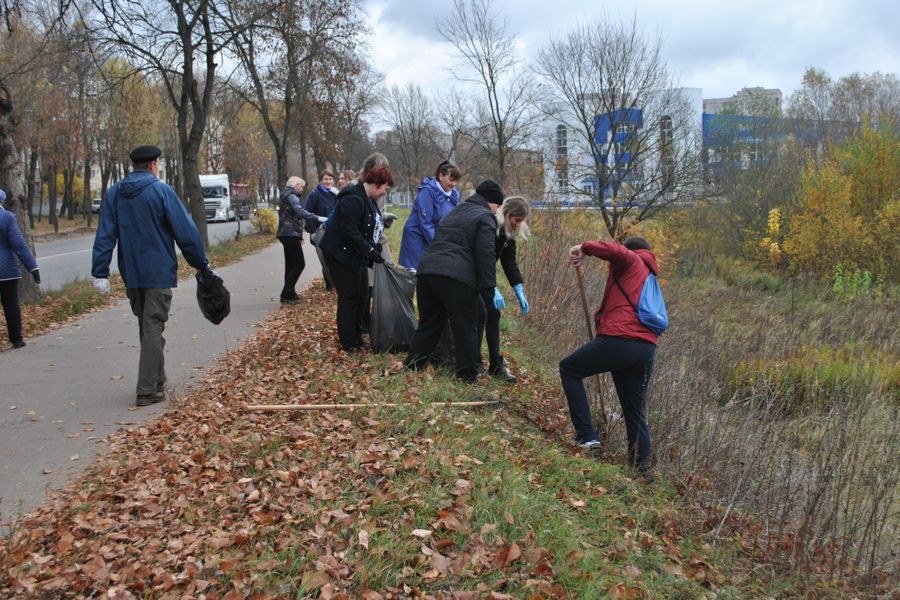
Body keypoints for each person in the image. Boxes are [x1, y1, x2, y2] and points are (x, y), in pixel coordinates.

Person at [91, 145, 211, 407]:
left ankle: (158, 379)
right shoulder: (161, 190)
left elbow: (105, 233)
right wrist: (201, 263)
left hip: (131, 271)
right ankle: (147, 390)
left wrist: (100, 271)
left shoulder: (115, 193)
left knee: (147, 327)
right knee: (153, 327)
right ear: (154, 164)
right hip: (157, 271)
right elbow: (186, 231)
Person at [560, 236, 660, 479]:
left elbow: (614, 250)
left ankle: (587, 436)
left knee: (569, 369)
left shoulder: (632, 260)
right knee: (635, 410)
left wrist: (583, 248)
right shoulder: (649, 274)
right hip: (645, 348)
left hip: (620, 341)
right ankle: (641, 470)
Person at [404, 180, 504, 383]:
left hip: (427, 272)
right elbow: (486, 254)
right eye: (497, 206)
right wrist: (489, 288)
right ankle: (467, 375)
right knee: (466, 326)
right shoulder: (486, 217)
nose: (497, 210)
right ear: (491, 202)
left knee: (429, 324)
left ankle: (413, 364)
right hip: (455, 279)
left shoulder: (456, 212)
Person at [318, 166, 393, 352]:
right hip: (339, 255)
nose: (385, 192)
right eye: (385, 188)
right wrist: (369, 250)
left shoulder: (367, 199)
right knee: (349, 297)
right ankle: (348, 341)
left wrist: (374, 247)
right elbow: (349, 231)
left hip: (354, 255)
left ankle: (357, 335)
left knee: (362, 295)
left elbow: (366, 227)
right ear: (376, 184)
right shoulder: (352, 199)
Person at [476, 196, 531, 384]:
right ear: (508, 214)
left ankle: (495, 365)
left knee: (493, 314)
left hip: (485, 277)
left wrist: (519, 288)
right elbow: (484, 259)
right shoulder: (490, 227)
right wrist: (492, 288)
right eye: (517, 220)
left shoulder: (508, 234)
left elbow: (509, 262)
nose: (518, 225)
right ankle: (475, 362)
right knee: (481, 314)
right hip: (473, 273)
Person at [398, 160, 461, 271]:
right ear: (441, 175)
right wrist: (438, 245)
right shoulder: (427, 191)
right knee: (417, 275)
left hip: (435, 239)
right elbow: (425, 223)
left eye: (456, 181)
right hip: (417, 237)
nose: (453, 184)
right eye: (451, 180)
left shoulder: (454, 194)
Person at [0, 188, 40, 349]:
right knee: (11, 304)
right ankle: (17, 339)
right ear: (2, 200)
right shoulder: (7, 217)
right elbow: (18, 244)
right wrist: (33, 267)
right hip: (7, 270)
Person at [277, 176, 325, 305]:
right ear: (295, 184)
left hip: (285, 233)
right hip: (290, 233)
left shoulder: (284, 194)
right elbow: (299, 211)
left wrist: (300, 236)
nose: (302, 189)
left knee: (291, 265)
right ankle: (285, 293)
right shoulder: (292, 196)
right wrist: (318, 218)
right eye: (301, 186)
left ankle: (290, 293)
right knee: (299, 264)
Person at [305, 169, 339, 291]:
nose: (328, 181)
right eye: (326, 179)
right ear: (321, 181)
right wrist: (312, 232)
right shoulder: (315, 194)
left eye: (330, 179)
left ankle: (336, 283)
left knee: (334, 257)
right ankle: (330, 284)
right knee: (324, 258)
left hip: (334, 231)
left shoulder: (335, 194)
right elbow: (307, 213)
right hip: (319, 231)